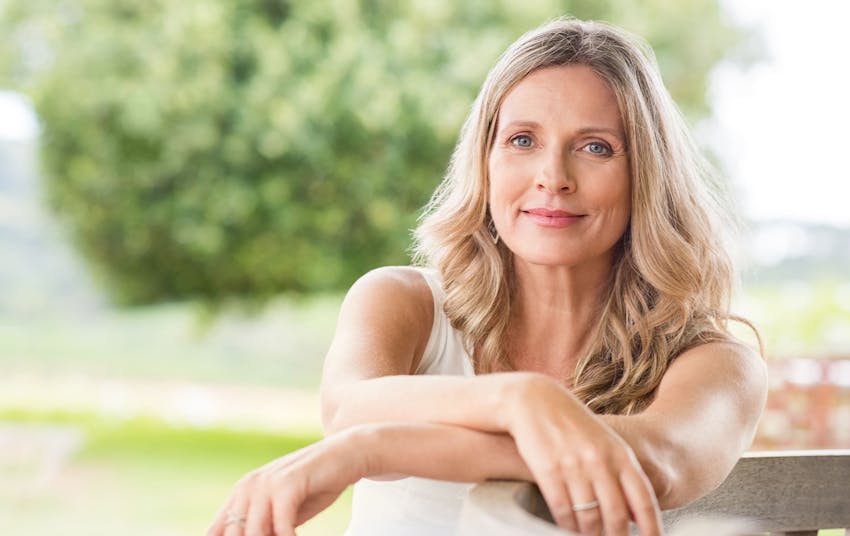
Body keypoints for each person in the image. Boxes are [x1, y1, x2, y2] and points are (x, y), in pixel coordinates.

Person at [207, 17, 767, 536]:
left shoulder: (719, 363)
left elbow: (661, 459)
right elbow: (350, 409)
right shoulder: (401, 302)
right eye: (523, 140)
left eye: (595, 147)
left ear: (645, 174)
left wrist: (373, 449)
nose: (553, 177)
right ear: (485, 160)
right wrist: (517, 401)